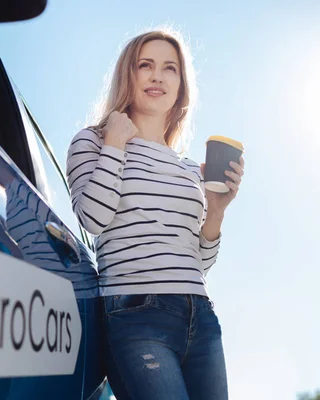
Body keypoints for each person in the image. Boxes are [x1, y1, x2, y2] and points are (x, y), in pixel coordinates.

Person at [66, 30, 245, 399]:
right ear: (127, 75)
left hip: (201, 317)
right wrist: (115, 143)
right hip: (136, 312)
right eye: (145, 65)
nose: (157, 76)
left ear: (181, 86)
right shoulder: (93, 141)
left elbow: (197, 262)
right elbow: (93, 219)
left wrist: (216, 212)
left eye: (170, 68)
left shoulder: (187, 169)